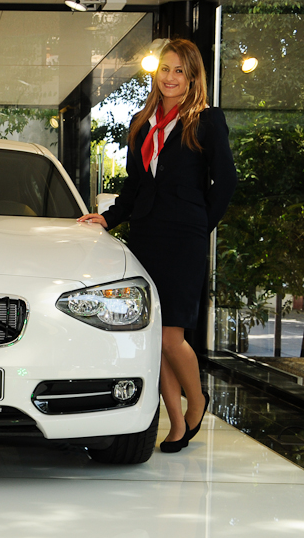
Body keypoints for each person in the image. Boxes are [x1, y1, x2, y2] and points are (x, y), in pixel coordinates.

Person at [79, 38, 236, 453]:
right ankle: (176, 422)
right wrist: (109, 218)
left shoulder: (206, 120)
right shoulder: (142, 121)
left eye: (179, 71)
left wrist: (201, 224)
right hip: (146, 236)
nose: (170, 77)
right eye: (165, 69)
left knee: (171, 337)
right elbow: (135, 186)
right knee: (153, 338)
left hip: (183, 238)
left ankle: (196, 401)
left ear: (192, 77)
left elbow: (226, 181)